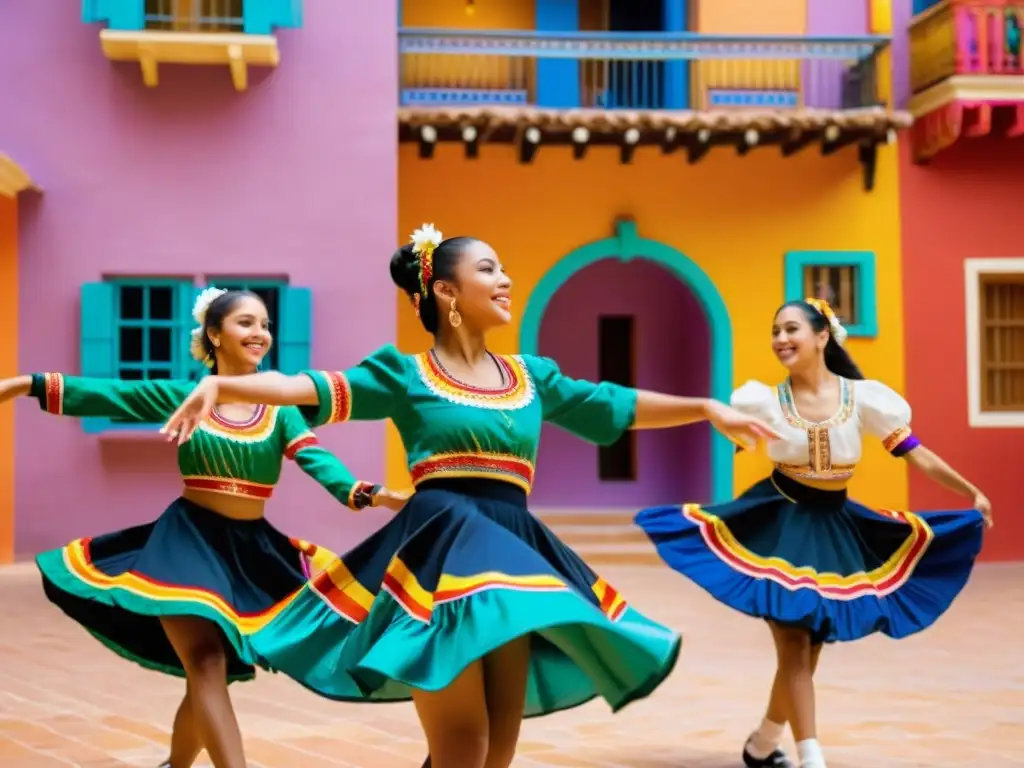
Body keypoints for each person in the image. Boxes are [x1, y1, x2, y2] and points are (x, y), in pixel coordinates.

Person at [158, 224, 780, 768]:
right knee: (463, 747)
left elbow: (612, 404)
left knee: (497, 753)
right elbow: (308, 385)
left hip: (509, 558)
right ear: (447, 292)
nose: (505, 279)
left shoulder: (531, 376)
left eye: (503, 268)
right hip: (438, 562)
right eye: (489, 269)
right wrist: (221, 385)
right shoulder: (404, 374)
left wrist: (705, 408)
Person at [0, 288, 406, 768]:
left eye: (265, 324)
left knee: (216, 671)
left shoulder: (280, 410)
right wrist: (23, 383)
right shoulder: (185, 395)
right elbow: (109, 393)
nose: (260, 334)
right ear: (214, 334)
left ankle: (175, 765)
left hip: (251, 553)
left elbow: (317, 459)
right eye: (245, 323)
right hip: (188, 545)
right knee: (207, 662)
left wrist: (372, 493)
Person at [634, 298, 990, 768]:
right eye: (775, 331)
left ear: (822, 336)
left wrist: (970, 491)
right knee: (795, 643)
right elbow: (736, 435)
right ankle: (811, 757)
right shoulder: (762, 400)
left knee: (811, 644)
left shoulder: (864, 399)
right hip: (779, 523)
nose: (781, 339)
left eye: (792, 329)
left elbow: (916, 453)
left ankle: (762, 743)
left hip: (837, 527)